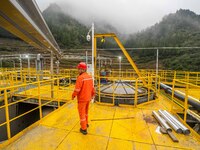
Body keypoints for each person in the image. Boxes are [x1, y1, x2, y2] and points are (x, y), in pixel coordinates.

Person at [72, 62, 95, 135]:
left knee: (82, 114)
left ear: (82, 69)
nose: (78, 70)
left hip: (82, 99)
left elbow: (77, 90)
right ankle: (86, 123)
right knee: (86, 112)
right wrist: (92, 95)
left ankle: (83, 129)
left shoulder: (80, 78)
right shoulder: (90, 77)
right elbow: (92, 88)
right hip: (88, 98)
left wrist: (73, 95)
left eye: (79, 69)